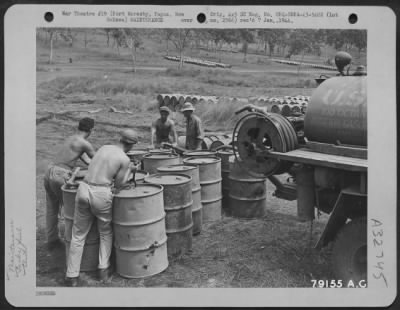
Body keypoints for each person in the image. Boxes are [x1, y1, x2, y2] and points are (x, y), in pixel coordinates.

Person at [65, 129, 140, 287]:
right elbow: (120, 184)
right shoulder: (124, 159)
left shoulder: (103, 148)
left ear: (120, 138)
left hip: (84, 188)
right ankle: (103, 271)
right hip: (101, 192)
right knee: (105, 232)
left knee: (78, 235)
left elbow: (94, 166)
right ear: (131, 145)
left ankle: (72, 276)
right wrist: (130, 170)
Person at [44, 117, 95, 251]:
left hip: (49, 171)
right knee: (70, 210)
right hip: (60, 174)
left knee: (52, 208)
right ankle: (71, 243)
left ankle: (52, 240)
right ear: (90, 130)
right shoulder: (84, 143)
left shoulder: (71, 138)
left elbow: (87, 161)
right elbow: (97, 160)